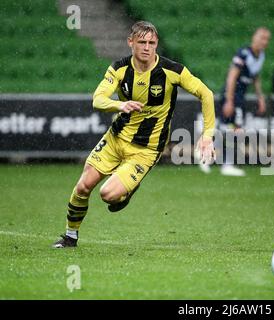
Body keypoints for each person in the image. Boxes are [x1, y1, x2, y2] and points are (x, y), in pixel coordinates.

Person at [53, 21, 215, 248]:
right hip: (115, 139)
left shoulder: (172, 71)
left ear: (156, 44)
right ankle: (70, 237)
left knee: (108, 194)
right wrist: (119, 105)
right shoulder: (119, 69)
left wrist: (208, 134)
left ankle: (127, 189)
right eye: (142, 42)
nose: (147, 47)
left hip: (145, 150)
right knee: (82, 187)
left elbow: (205, 94)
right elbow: (98, 99)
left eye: (152, 43)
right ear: (131, 42)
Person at [198, 27, 271, 176]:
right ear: (254, 38)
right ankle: (221, 162)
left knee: (227, 128)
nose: (264, 42)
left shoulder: (261, 56)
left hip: (240, 97)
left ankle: (208, 156)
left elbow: (255, 77)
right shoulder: (243, 54)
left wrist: (260, 98)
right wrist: (229, 101)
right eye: (261, 38)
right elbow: (231, 77)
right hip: (232, 95)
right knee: (233, 129)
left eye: (267, 39)